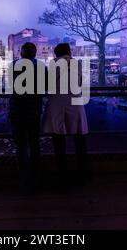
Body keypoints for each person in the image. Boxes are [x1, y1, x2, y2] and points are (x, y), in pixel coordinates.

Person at [43, 43, 90, 188]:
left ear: (56, 54)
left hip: (57, 104)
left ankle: (62, 178)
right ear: (69, 52)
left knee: (59, 142)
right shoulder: (78, 64)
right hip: (76, 103)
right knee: (79, 141)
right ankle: (82, 176)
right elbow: (82, 84)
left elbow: (47, 86)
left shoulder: (52, 65)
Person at [8, 42, 46, 194]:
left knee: (21, 146)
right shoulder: (41, 66)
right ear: (35, 53)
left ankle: (23, 179)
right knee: (34, 144)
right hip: (33, 111)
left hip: (16, 110)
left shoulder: (13, 65)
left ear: (21, 53)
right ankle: (36, 177)